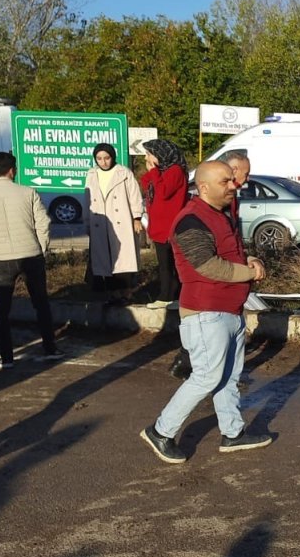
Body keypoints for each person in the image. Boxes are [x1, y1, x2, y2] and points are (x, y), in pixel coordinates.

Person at [140, 161, 272, 464]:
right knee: (207, 376)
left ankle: (233, 433)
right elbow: (207, 265)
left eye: (232, 180)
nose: (233, 185)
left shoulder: (220, 214)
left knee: (228, 377)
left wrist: (251, 259)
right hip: (204, 311)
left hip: (229, 309)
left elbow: (229, 253)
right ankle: (161, 431)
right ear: (204, 188)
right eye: (225, 181)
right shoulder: (190, 220)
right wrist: (248, 273)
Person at [0, 152, 63, 368]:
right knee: (41, 303)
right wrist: (41, 247)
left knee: (2, 311)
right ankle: (51, 347)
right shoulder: (28, 192)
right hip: (31, 253)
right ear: (12, 170)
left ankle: (7, 357)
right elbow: (43, 223)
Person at [85, 143, 144, 306]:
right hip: (100, 222)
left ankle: (126, 293)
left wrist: (137, 216)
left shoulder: (124, 173)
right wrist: (87, 222)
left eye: (106, 158)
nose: (103, 162)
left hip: (121, 220)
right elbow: (87, 199)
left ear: (112, 157)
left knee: (123, 260)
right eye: (99, 158)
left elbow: (134, 195)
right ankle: (112, 293)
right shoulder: (91, 174)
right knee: (106, 261)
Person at [139, 139, 189, 309]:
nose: (147, 158)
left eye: (149, 154)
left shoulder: (175, 171)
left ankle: (167, 296)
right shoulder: (163, 170)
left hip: (169, 226)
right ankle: (172, 295)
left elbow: (164, 192)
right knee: (165, 263)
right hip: (159, 226)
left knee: (169, 265)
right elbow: (145, 183)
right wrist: (152, 170)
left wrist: (154, 172)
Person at [222, 150, 251, 221]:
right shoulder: (220, 194)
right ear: (234, 170)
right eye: (246, 174)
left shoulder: (232, 193)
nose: (248, 179)